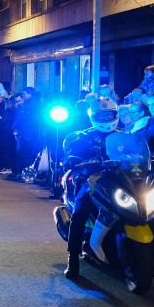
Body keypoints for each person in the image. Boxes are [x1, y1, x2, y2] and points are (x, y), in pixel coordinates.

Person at [61, 97, 120, 279]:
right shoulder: (82, 137)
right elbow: (69, 155)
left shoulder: (123, 135)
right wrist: (72, 159)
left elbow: (136, 153)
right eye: (101, 116)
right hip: (91, 181)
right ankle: (73, 258)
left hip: (119, 182)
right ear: (93, 117)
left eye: (109, 115)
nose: (105, 119)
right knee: (80, 215)